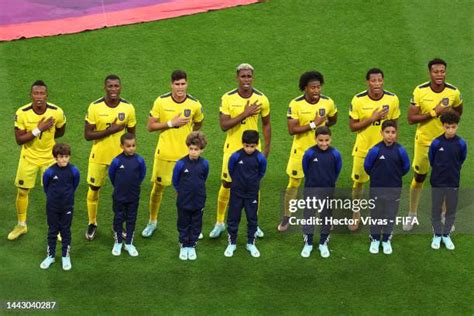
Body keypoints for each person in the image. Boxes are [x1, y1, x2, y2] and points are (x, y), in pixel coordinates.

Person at [209, 63, 271, 239]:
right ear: (237, 77)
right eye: (243, 76)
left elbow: (266, 124)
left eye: (249, 76)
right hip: (232, 148)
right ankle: (220, 222)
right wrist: (245, 113)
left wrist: (266, 148)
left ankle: (254, 223)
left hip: (253, 150)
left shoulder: (262, 99)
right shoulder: (227, 98)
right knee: (227, 184)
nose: (246, 79)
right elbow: (224, 125)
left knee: (254, 185)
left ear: (253, 77)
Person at [142, 70, 204, 238]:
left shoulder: (194, 104)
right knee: (158, 188)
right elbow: (150, 126)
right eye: (177, 84)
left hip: (185, 157)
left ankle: (189, 224)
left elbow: (198, 123)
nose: (180, 87)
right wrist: (171, 123)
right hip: (164, 154)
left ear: (187, 84)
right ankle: (152, 221)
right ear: (171, 84)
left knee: (184, 192)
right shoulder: (160, 102)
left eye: (183, 84)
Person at [404, 58, 463, 231]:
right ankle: (412, 214)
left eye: (442, 71)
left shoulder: (453, 92)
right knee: (419, 177)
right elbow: (410, 118)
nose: (439, 75)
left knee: (444, 180)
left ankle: (444, 215)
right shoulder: (420, 91)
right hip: (424, 141)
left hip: (445, 143)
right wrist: (433, 112)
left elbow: (459, 111)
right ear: (430, 72)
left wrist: (449, 116)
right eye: (436, 71)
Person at [278, 71, 338, 232]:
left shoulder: (328, 102)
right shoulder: (296, 104)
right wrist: (314, 124)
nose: (316, 90)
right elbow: (292, 130)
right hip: (301, 151)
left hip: (322, 152)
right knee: (293, 184)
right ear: (305, 88)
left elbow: (333, 118)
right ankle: (287, 216)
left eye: (318, 87)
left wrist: (323, 128)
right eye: (313, 87)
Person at [8, 80, 66, 240]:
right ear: (31, 95)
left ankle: (56, 227)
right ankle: (21, 225)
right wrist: (38, 129)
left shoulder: (57, 112)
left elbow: (60, 131)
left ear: (47, 95)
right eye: (36, 93)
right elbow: (19, 140)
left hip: (49, 158)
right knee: (22, 191)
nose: (39, 96)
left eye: (42, 93)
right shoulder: (22, 112)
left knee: (54, 193)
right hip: (28, 158)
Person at [84, 74, 136, 240]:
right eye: (110, 86)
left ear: (120, 87)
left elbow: (131, 134)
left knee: (120, 193)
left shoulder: (128, 108)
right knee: (93, 190)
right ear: (104, 87)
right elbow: (87, 135)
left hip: (120, 159)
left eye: (116, 86)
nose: (113, 89)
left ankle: (118, 225)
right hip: (98, 155)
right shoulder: (94, 107)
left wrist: (130, 154)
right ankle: (92, 223)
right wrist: (110, 130)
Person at [347, 68, 400, 231]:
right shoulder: (358, 100)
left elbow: (395, 125)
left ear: (383, 81)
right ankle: (356, 214)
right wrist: (372, 118)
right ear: (367, 82)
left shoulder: (392, 99)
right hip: (363, 150)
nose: (377, 84)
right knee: (358, 184)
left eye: (379, 80)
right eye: (373, 81)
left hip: (384, 151)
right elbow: (353, 126)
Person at [364, 120, 410, 255]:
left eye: (393, 132)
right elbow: (367, 167)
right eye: (387, 132)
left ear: (396, 134)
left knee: (390, 215)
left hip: (394, 189)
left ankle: (386, 239)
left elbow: (406, 168)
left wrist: (395, 177)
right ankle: (375, 238)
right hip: (376, 189)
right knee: (376, 214)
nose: (390, 135)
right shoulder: (375, 150)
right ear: (381, 133)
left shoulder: (401, 150)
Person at [300, 126, 342, 258]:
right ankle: (309, 242)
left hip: (328, 190)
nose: (324, 143)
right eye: (321, 140)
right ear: (315, 139)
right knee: (309, 215)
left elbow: (337, 170)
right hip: (311, 189)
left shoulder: (335, 154)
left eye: (326, 140)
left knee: (326, 216)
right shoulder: (309, 153)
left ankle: (323, 242)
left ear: (331, 139)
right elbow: (305, 169)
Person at [224, 130, 267, 258]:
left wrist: (252, 183)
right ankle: (232, 243)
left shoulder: (260, 158)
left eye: (252, 146)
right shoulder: (236, 156)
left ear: (257, 144)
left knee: (252, 218)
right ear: (242, 144)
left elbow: (261, 173)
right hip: (237, 193)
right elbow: (231, 170)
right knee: (233, 218)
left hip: (252, 194)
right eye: (246, 146)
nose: (249, 149)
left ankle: (250, 243)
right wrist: (239, 182)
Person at [429, 111, 466, 250]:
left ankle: (446, 235)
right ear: (443, 127)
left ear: (457, 126)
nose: (451, 130)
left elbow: (461, 159)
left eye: (453, 127)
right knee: (436, 209)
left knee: (451, 210)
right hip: (437, 182)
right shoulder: (436, 143)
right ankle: (437, 235)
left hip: (453, 182)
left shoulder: (461, 143)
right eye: (447, 127)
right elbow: (432, 160)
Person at [40, 143, 80, 270]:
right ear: (55, 157)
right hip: (52, 207)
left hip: (67, 206)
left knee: (65, 231)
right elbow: (46, 187)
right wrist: (53, 198)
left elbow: (75, 184)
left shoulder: (73, 170)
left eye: (66, 156)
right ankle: (50, 256)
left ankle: (65, 256)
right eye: (61, 156)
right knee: (52, 231)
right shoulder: (50, 171)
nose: (64, 159)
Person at [172, 132, 209, 260]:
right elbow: (175, 181)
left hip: (199, 199)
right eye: (191, 149)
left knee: (196, 223)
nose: (193, 152)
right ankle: (183, 245)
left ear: (202, 150)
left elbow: (203, 178)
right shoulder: (181, 164)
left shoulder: (205, 164)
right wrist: (181, 192)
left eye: (196, 149)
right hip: (183, 200)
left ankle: (192, 245)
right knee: (183, 223)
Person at [109, 133, 146, 257]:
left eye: (133, 145)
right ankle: (118, 242)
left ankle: (129, 243)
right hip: (119, 197)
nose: (131, 148)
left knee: (131, 219)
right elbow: (112, 176)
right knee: (118, 219)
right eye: (128, 146)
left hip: (133, 197)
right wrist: (120, 187)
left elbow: (141, 175)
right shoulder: (116, 161)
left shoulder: (140, 160)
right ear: (122, 146)